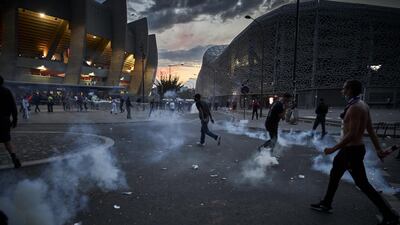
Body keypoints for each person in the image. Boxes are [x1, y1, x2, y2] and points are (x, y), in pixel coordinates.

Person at [310, 80, 399, 225]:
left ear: (350, 89)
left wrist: (333, 148)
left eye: (344, 88)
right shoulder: (362, 104)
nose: (342, 91)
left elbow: (352, 134)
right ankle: (326, 203)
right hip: (351, 150)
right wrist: (379, 150)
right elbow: (370, 129)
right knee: (335, 175)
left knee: (362, 183)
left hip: (351, 150)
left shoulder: (355, 108)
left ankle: (389, 214)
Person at [0, 75, 21, 168]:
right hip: (4, 120)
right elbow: (13, 107)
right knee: (7, 141)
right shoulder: (7, 91)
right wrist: (15, 120)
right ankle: (14, 158)